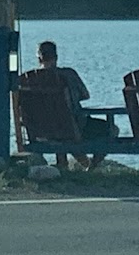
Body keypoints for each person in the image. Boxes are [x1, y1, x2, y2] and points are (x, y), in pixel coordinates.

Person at [36, 40, 118, 169]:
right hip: (73, 128)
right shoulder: (68, 74)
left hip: (43, 131)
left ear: (39, 58)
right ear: (56, 57)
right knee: (112, 129)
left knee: (63, 128)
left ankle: (69, 164)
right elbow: (85, 95)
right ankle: (92, 166)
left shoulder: (29, 79)